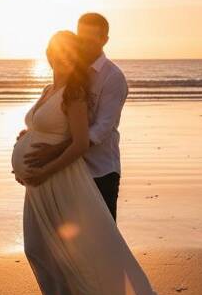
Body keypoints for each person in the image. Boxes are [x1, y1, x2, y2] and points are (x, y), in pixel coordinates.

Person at [12, 29, 167, 295]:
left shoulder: (76, 93)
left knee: (70, 248)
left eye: (65, 52)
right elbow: (45, 127)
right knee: (37, 247)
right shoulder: (48, 89)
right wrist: (27, 139)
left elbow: (83, 140)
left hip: (59, 178)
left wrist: (44, 168)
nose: (58, 57)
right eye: (54, 51)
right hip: (39, 183)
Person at [22, 13, 128, 221]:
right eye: (81, 39)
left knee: (101, 238)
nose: (84, 45)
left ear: (104, 40)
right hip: (69, 170)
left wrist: (55, 150)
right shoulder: (72, 70)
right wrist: (32, 136)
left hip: (100, 170)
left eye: (91, 40)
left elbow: (101, 129)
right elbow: (60, 119)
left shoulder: (113, 77)